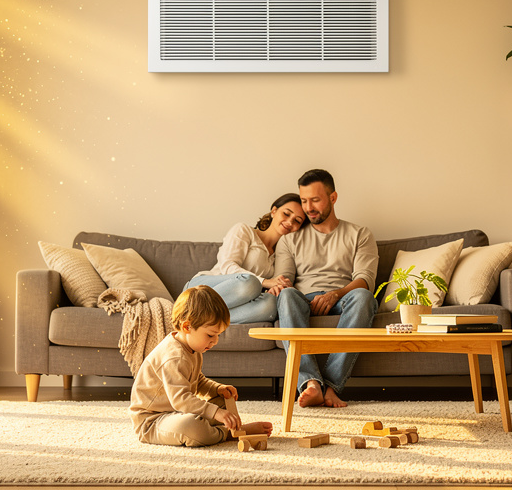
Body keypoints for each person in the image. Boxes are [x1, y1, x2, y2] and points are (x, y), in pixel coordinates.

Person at [273, 169, 378, 409]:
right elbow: (285, 278)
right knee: (287, 295)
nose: (308, 207)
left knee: (364, 297)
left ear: (333, 198)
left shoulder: (360, 234)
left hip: (344, 298)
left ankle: (331, 386)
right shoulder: (289, 239)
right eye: (304, 200)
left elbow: (365, 278)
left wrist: (335, 294)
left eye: (315, 200)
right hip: (304, 300)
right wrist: (279, 285)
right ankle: (310, 383)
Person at [129, 285, 274, 447]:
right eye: (211, 335)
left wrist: (217, 388)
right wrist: (216, 413)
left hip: (177, 412)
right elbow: (181, 399)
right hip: (153, 422)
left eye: (218, 335)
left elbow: (197, 381)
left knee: (224, 399)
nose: (215, 341)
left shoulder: (192, 348)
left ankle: (223, 427)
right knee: (191, 427)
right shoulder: (174, 357)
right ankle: (228, 433)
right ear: (187, 327)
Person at [183, 194, 307, 324]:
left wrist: (274, 287)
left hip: (237, 301)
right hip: (204, 288)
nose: (290, 222)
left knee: (270, 305)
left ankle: (198, 318)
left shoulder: (282, 255)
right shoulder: (244, 230)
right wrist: (265, 281)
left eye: (297, 221)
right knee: (250, 283)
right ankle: (190, 305)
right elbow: (227, 265)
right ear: (273, 211)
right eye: (286, 214)